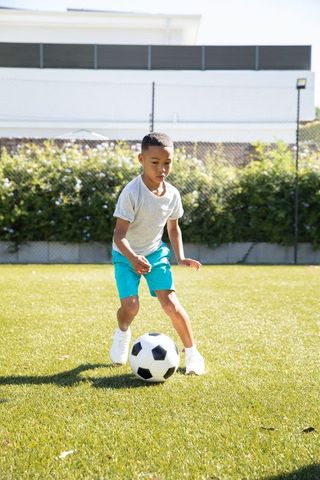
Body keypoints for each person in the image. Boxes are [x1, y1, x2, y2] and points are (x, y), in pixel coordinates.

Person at [109, 132, 205, 375]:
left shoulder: (172, 194)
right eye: (155, 162)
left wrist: (180, 257)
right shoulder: (132, 192)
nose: (162, 168)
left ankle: (193, 354)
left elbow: (173, 228)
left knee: (171, 303)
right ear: (141, 159)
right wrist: (133, 258)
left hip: (155, 254)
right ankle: (122, 333)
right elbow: (119, 235)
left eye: (167, 162)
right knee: (130, 307)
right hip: (125, 255)